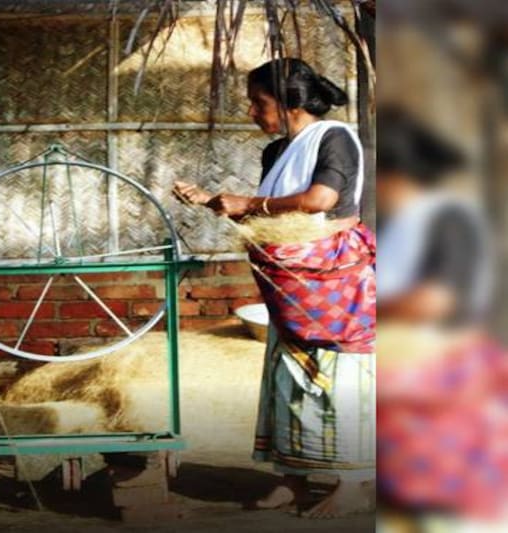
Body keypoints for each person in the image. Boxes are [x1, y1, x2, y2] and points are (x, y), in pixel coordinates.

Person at [174, 58, 376, 518]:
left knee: (336, 374)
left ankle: (353, 483)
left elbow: (320, 201)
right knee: (286, 373)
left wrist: (250, 202)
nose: (251, 112)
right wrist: (213, 200)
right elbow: (267, 214)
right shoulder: (277, 152)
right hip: (288, 283)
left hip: (332, 281)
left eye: (257, 102)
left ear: (290, 104)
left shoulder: (334, 139)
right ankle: (292, 476)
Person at [375, 107, 508, 522]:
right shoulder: (395, 220)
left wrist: (371, 306)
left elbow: (437, 300)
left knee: (439, 506)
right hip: (401, 364)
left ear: (393, 174)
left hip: (443, 368)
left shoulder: (448, 217)